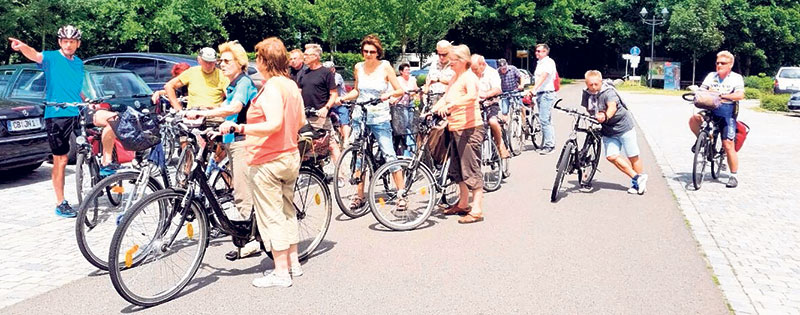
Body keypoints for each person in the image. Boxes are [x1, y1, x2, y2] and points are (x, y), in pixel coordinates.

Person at [219, 37, 305, 288]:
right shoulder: (290, 86)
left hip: (268, 159)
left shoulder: (272, 88)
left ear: (264, 61)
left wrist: (241, 126)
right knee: (287, 211)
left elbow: (274, 122)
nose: (256, 62)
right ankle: (293, 263)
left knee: (271, 216)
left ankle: (281, 273)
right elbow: (298, 121)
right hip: (289, 155)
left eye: (258, 58)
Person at [9, 25, 118, 217]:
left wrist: (87, 101)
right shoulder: (51, 58)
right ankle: (61, 203)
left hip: (78, 109)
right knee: (61, 159)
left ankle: (106, 162)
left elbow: (75, 87)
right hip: (57, 114)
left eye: (72, 42)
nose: (68, 45)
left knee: (112, 119)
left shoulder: (78, 63)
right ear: (60, 42)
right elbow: (35, 55)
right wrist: (22, 47)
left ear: (77, 43)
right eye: (65, 41)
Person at [336, 34, 405, 210]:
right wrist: (343, 98)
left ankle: (401, 194)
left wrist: (387, 95)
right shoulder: (358, 67)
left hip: (380, 117)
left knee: (389, 153)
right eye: (365, 51)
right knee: (359, 156)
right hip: (361, 115)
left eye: (372, 52)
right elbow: (357, 91)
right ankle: (359, 195)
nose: (368, 54)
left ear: (377, 52)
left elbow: (399, 91)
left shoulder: (385, 67)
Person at [432, 44, 485, 224]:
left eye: (453, 60)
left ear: (463, 61)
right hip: (455, 128)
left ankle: (476, 208)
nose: (450, 63)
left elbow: (471, 96)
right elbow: (445, 98)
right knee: (457, 169)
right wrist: (432, 109)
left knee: (470, 168)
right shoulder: (456, 77)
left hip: (469, 129)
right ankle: (463, 204)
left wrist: (451, 106)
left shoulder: (469, 77)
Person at [581, 70, 648, 194]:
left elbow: (612, 107)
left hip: (624, 127)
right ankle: (638, 178)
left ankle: (637, 185)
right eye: (590, 85)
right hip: (608, 130)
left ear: (601, 82)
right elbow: (588, 108)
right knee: (611, 156)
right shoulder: (586, 94)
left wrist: (605, 116)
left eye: (596, 84)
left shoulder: (608, 92)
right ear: (586, 83)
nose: (594, 87)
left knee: (633, 156)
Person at [689, 50, 744, 188]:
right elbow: (702, 90)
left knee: (728, 145)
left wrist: (723, 96)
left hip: (727, 112)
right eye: (717, 62)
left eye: (723, 63)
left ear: (730, 64)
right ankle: (701, 141)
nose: (719, 65)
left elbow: (739, 95)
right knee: (694, 119)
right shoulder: (711, 76)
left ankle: (733, 176)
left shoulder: (736, 78)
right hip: (710, 109)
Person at [297, 43, 341, 165]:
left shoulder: (326, 73)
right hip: (305, 116)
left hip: (320, 115)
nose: (304, 57)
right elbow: (299, 92)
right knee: (306, 144)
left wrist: (326, 108)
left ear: (316, 56)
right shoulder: (303, 73)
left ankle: (340, 174)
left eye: (306, 55)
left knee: (331, 144)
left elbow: (334, 94)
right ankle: (313, 171)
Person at [164, 47, 229, 111]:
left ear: (215, 61)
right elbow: (169, 86)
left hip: (214, 116)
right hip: (192, 115)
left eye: (211, 62)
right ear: (199, 60)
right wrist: (177, 108)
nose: (208, 65)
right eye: (205, 61)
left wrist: (220, 108)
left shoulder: (222, 75)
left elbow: (231, 96)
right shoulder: (192, 72)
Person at [470, 54, 508, 159]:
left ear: (483, 64)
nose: (474, 71)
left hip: (491, 102)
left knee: (492, 121)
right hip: (476, 104)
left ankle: (500, 145)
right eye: (472, 69)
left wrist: (486, 94)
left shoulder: (492, 73)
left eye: (475, 68)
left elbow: (497, 89)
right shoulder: (470, 73)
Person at [528, 44, 558, 155]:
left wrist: (533, 90)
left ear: (546, 52)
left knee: (544, 120)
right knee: (546, 120)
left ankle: (549, 145)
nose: (537, 53)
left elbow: (543, 77)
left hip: (547, 94)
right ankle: (548, 142)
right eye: (536, 51)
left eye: (540, 51)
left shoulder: (548, 62)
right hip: (541, 94)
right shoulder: (540, 63)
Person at [391, 63, 420, 156]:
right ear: (401, 72)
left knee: (411, 126)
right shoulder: (398, 80)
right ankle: (409, 148)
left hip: (410, 104)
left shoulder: (412, 79)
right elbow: (395, 92)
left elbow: (416, 90)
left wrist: (416, 95)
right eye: (406, 70)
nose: (408, 71)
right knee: (406, 125)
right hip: (400, 105)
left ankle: (411, 148)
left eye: (408, 69)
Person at [324, 60, 351, 147]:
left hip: (341, 103)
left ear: (333, 69)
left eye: (329, 69)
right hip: (330, 103)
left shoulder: (337, 76)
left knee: (344, 121)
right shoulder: (324, 76)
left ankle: (346, 139)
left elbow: (331, 86)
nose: (327, 71)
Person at [423, 40, 454, 107]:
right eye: (439, 54)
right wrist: (425, 93)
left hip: (448, 100)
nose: (441, 57)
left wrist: (439, 80)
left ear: (450, 52)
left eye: (444, 54)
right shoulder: (434, 63)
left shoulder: (455, 64)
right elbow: (428, 79)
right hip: (432, 99)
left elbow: (458, 82)